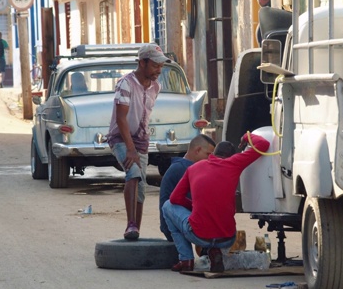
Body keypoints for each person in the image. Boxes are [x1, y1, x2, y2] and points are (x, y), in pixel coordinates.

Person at [162, 132, 270, 272]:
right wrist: (246, 136)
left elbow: (175, 199)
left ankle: (186, 259)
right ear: (232, 156)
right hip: (227, 238)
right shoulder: (234, 163)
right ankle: (216, 252)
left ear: (213, 154)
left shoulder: (193, 168)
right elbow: (263, 145)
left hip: (198, 235)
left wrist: (195, 207)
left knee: (167, 206)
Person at [105, 43, 170, 241]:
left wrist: (138, 146)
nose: (159, 70)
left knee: (140, 185)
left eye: (161, 66)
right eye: (155, 65)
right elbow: (121, 118)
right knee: (133, 174)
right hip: (121, 138)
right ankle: (130, 224)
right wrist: (131, 150)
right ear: (142, 63)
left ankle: (136, 231)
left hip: (141, 141)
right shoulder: (125, 83)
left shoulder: (156, 86)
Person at [159, 134, 216, 242]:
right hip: (172, 227)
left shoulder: (182, 166)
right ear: (197, 150)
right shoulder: (183, 169)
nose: (210, 159)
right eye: (208, 154)